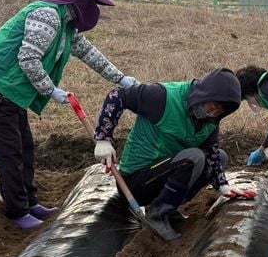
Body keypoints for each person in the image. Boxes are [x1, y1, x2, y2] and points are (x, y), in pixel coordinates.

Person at [0, 0, 136, 231]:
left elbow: (88, 53)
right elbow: (28, 58)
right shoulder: (48, 15)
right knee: (9, 152)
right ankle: (17, 211)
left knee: (25, 147)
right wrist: (51, 90)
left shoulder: (66, 21)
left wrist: (120, 78)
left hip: (12, 89)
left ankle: (30, 202)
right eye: (90, 0)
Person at [92, 68, 254, 241]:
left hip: (162, 175)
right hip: (134, 181)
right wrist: (104, 138)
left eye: (219, 112)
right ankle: (157, 215)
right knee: (193, 158)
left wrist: (222, 185)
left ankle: (168, 207)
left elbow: (212, 153)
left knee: (220, 157)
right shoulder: (163, 97)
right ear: (204, 94)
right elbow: (118, 96)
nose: (213, 114)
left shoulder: (210, 122)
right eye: (212, 107)